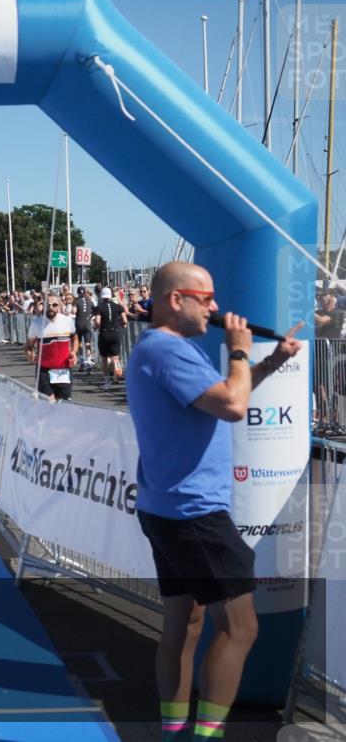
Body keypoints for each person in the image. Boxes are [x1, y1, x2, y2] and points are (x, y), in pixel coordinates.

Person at [126, 261, 303, 742]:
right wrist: (240, 352)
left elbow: (221, 397)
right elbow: (233, 405)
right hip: (194, 513)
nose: (216, 308)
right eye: (205, 298)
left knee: (185, 623)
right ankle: (204, 736)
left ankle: (175, 730)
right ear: (173, 300)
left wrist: (266, 363)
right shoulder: (168, 349)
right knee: (241, 627)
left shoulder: (161, 349)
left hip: (167, 509)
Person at [25, 294, 78, 401]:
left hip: (63, 369)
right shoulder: (36, 323)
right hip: (44, 370)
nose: (51, 308)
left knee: (63, 405)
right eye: (48, 305)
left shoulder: (67, 321)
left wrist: (74, 352)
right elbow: (29, 345)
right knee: (48, 405)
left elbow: (75, 339)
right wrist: (29, 353)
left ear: (59, 306)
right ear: (43, 305)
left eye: (54, 305)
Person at [94, 286, 128, 389]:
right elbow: (125, 320)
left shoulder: (99, 307)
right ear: (110, 296)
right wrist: (120, 324)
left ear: (102, 296)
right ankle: (117, 370)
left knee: (104, 358)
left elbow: (98, 322)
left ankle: (107, 381)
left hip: (104, 333)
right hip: (115, 333)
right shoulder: (118, 307)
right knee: (115, 356)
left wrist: (95, 328)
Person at [74, 285, 96, 371]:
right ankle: (89, 361)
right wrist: (91, 316)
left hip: (79, 323)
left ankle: (82, 361)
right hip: (87, 323)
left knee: (78, 343)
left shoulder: (76, 301)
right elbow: (95, 310)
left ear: (78, 293)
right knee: (88, 343)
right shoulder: (89, 301)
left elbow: (73, 311)